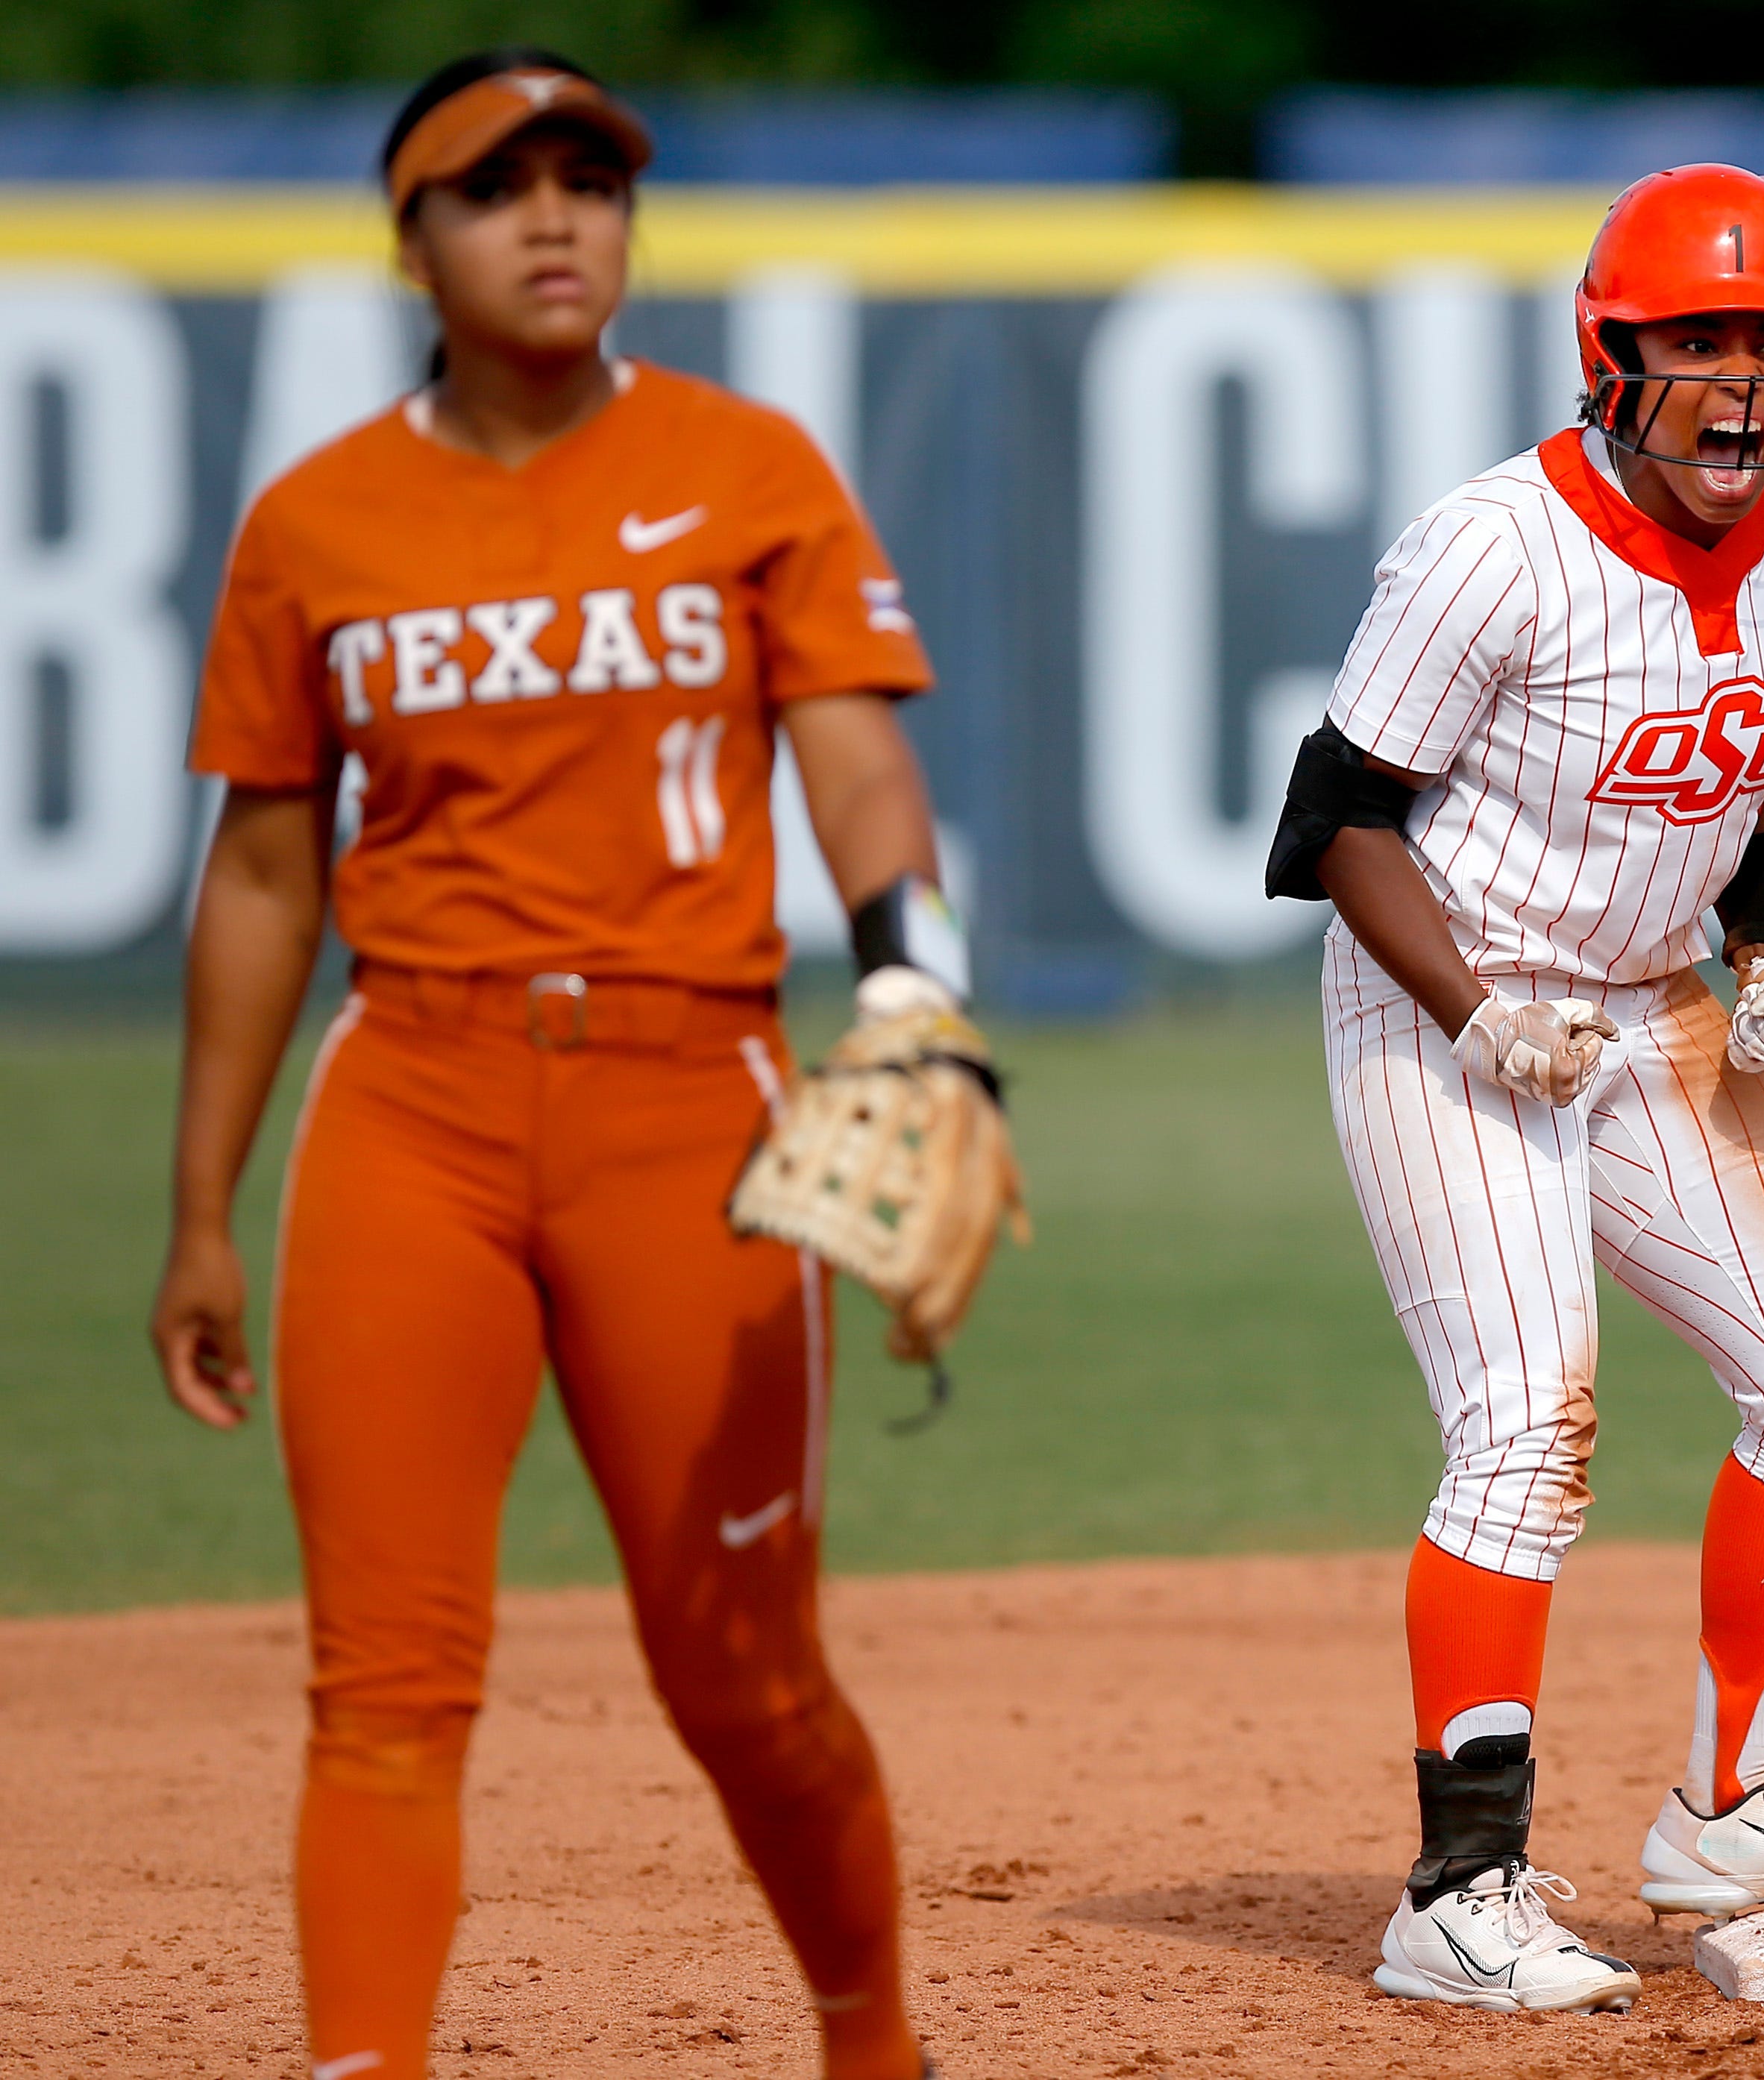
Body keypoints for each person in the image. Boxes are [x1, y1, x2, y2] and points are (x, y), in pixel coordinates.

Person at [148, 50, 966, 2080]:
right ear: (409, 238)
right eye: (493, 184)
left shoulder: (748, 464)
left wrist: (908, 991)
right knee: (385, 1683)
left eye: (589, 180)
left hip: (685, 1108)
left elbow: (856, 755)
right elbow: (263, 869)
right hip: (406, 1104)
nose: (552, 217)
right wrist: (198, 1210)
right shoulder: (316, 520)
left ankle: (873, 2043)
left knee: (742, 1679)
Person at [1266, 164, 1764, 2015]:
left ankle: (1733, 1800)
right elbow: (1329, 824)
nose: (1741, 385)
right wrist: (1479, 1012)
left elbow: (1757, 771)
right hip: (1448, 1008)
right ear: (1611, 355)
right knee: (1524, 1425)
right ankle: (1457, 1887)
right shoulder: (1493, 547)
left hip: (1655, 1005)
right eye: (1698, 343)